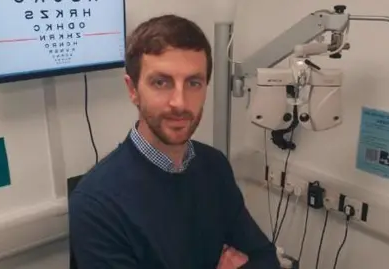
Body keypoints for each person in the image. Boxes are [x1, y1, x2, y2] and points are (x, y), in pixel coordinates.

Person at [69, 14, 280, 269]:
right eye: (161, 82)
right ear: (132, 89)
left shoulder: (214, 165)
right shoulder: (97, 203)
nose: (179, 102)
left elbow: (266, 258)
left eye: (193, 83)